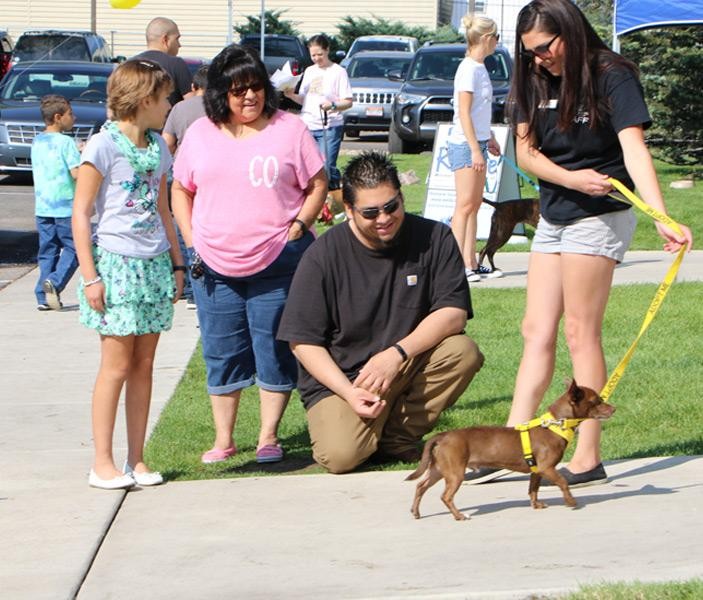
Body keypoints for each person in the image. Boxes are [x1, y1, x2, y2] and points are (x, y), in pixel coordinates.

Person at [471, 0, 693, 487]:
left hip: (601, 214)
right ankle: (509, 445)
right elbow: (526, 154)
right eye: (529, 53)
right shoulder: (532, 78)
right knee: (535, 330)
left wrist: (662, 216)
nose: (538, 60)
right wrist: (570, 180)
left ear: (570, 33)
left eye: (545, 48)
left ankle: (588, 457)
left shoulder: (612, 74)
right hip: (557, 209)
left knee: (579, 332)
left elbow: (635, 148)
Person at [277, 151, 485, 474]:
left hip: (404, 362)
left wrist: (396, 354)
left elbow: (453, 313)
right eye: (371, 212)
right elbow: (302, 343)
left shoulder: (435, 237)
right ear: (348, 210)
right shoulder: (322, 256)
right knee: (342, 456)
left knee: (462, 351)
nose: (384, 218)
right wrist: (348, 391)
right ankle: (366, 433)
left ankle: (396, 439)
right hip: (344, 378)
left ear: (402, 197)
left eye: (391, 206)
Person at [171, 44, 327, 465]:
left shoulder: (290, 130)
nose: (249, 97)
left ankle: (268, 437)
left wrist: (298, 226)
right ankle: (224, 439)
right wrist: (191, 239)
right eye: (238, 91)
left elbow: (318, 182)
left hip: (279, 262)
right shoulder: (201, 133)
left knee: (273, 348)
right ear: (221, 93)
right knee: (221, 349)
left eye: (255, 87)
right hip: (214, 265)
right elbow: (181, 189)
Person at [72, 59, 184, 489]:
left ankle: (136, 459)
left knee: (145, 364)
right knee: (115, 366)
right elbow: (81, 214)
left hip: (154, 264)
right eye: (165, 97)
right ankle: (102, 463)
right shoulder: (102, 146)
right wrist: (90, 276)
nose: (169, 104)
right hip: (116, 266)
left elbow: (162, 207)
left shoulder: (159, 146)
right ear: (143, 100)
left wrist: (177, 262)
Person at [448, 15, 502, 283]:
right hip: (464, 143)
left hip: (478, 140)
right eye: (496, 37)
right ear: (485, 39)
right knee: (465, 205)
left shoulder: (480, 67)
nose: (497, 43)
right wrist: (474, 149)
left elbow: (480, 112)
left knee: (475, 204)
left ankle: (471, 261)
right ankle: (458, 265)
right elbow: (464, 113)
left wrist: (488, 137)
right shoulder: (468, 69)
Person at [163, 63, 209, 309]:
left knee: (184, 228)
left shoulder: (180, 108)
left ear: (193, 87)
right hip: (212, 175)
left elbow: (167, 143)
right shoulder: (221, 108)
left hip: (183, 175)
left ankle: (191, 286)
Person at [283, 33, 352, 191]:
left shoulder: (338, 72)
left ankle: (334, 196)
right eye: (313, 55)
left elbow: (348, 102)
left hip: (330, 126)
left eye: (319, 54)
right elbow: (305, 100)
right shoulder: (309, 71)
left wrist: (333, 105)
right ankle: (319, 200)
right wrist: (291, 95)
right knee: (309, 166)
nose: (316, 58)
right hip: (308, 124)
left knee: (327, 165)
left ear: (327, 50)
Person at [31, 95, 80, 311]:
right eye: (71, 114)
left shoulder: (37, 141)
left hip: (43, 207)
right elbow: (76, 173)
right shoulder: (66, 143)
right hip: (66, 207)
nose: (74, 118)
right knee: (75, 248)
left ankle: (43, 295)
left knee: (47, 250)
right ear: (58, 117)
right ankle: (56, 282)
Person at [134, 17, 192, 106]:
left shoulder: (128, 65)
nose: (179, 45)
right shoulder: (176, 64)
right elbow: (191, 103)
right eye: (177, 39)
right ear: (165, 39)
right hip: (168, 119)